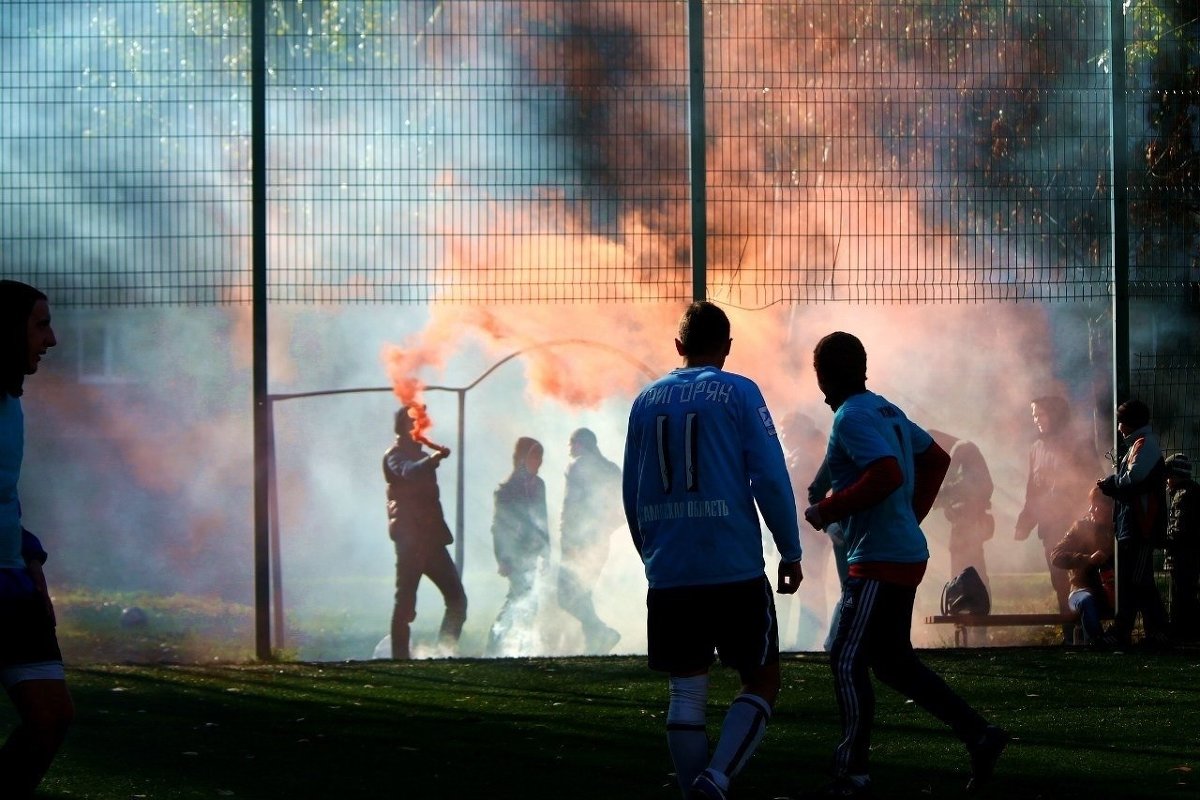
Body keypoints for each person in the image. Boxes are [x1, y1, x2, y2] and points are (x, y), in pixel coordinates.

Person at [799, 331, 1007, 798]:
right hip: (899, 551)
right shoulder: (884, 409)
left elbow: (887, 473)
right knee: (893, 664)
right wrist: (911, 515)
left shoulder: (850, 416)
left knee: (846, 657)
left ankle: (852, 772)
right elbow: (935, 458)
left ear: (823, 376)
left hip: (878, 558)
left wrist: (828, 510)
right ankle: (980, 734)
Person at [622, 301, 803, 800]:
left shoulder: (645, 400)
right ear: (726, 347)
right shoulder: (741, 391)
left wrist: (651, 556)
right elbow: (769, 475)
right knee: (762, 680)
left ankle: (693, 791)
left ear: (678, 347)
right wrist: (790, 550)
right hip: (734, 567)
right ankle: (718, 777)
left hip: (671, 569)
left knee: (686, 690)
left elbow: (631, 489)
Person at [0, 280, 74, 798]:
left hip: (12, 585)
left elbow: (7, 493)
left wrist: (31, 559)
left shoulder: (12, 401)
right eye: (40, 325)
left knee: (51, 717)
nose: (50, 340)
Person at [383, 406, 467, 659]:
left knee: (457, 600)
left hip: (431, 541)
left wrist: (431, 459)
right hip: (410, 541)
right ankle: (400, 660)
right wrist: (433, 459)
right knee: (405, 605)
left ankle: (444, 652)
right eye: (415, 423)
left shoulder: (421, 456)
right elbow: (408, 471)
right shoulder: (394, 455)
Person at [1014, 395, 1097, 642]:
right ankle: (1070, 632)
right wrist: (1025, 522)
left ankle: (1085, 630)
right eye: (1034, 415)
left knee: (1080, 578)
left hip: (1075, 526)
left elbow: (1091, 479)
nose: (1036, 420)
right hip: (1050, 528)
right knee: (1058, 579)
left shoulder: (1078, 443)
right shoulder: (1036, 448)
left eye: (1041, 414)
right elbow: (1033, 490)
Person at [1096, 399, 1170, 648]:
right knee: (1134, 581)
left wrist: (1111, 483)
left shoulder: (1144, 445)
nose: (1118, 427)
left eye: (1120, 421)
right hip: (1134, 526)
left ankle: (1151, 631)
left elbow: (1134, 479)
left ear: (1129, 422)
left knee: (1139, 582)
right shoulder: (1139, 445)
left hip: (1141, 527)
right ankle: (1143, 632)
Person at [557, 428, 623, 654]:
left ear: (579, 444)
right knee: (582, 593)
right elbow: (624, 507)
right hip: (599, 542)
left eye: (572, 443)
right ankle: (595, 642)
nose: (569, 449)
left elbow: (571, 507)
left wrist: (567, 538)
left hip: (578, 542)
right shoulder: (611, 469)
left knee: (566, 596)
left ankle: (600, 632)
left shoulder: (577, 467)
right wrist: (605, 529)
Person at [780, 413, 839, 651]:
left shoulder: (802, 458)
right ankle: (808, 637)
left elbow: (797, 493)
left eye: (786, 429)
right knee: (810, 586)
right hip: (807, 530)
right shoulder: (806, 455)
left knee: (809, 587)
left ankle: (809, 638)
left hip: (807, 531)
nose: (783, 435)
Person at [488, 436, 550, 656]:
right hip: (514, 554)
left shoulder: (539, 485)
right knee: (518, 599)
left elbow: (543, 521)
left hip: (532, 553)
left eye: (540, 456)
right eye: (535, 456)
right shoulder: (506, 491)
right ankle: (495, 646)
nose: (539, 461)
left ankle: (521, 648)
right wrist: (503, 559)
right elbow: (499, 528)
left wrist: (546, 553)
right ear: (523, 458)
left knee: (528, 601)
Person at [929, 430, 995, 591]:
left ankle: (974, 607)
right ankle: (967, 605)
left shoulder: (963, 448)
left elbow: (976, 484)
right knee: (965, 564)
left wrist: (943, 494)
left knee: (969, 565)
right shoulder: (961, 451)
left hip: (969, 522)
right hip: (963, 522)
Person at [1050, 487, 1116, 646]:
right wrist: (1087, 559)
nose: (1091, 510)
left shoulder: (1118, 530)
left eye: (1096, 505)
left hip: (1110, 592)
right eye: (1091, 504)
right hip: (1081, 591)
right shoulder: (1080, 528)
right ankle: (1097, 642)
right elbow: (1056, 555)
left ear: (1110, 507)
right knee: (1087, 601)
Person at [1163, 453, 1198, 642]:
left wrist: (1163, 540)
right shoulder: (1193, 492)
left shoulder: (1181, 498)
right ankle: (1186, 631)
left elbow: (1178, 530)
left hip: (1181, 557)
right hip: (1191, 556)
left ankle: (1181, 633)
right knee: (1188, 593)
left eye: (1167, 476)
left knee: (1180, 595)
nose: (1166, 481)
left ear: (1174, 476)